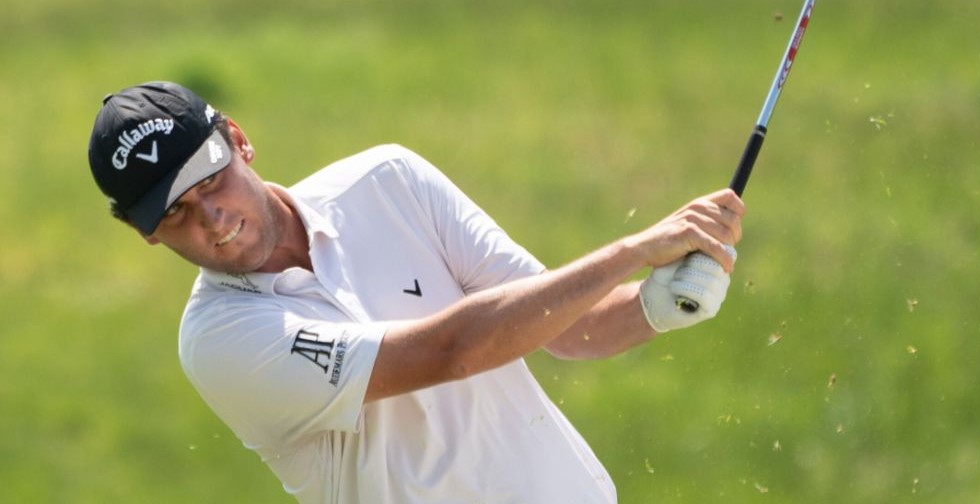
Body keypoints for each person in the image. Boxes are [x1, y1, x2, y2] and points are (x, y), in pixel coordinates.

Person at [87, 81, 744, 504]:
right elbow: (449, 351)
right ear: (144, 232)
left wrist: (657, 302)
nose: (211, 218)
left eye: (211, 181)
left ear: (237, 140)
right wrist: (632, 251)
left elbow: (570, 328)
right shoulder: (219, 340)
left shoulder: (388, 182)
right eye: (176, 212)